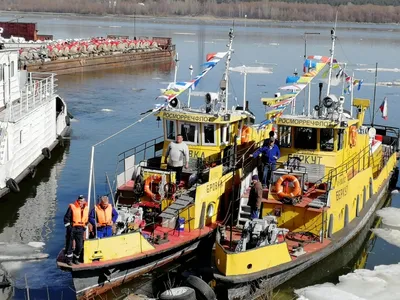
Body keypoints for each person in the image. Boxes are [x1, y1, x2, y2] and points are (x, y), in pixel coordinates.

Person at [64, 195, 89, 266]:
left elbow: (87, 220)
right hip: (72, 228)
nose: (81, 202)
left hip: (80, 229)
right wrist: (69, 228)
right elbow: (66, 218)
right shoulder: (72, 207)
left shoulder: (86, 208)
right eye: (79, 201)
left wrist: (84, 228)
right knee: (69, 245)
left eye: (82, 201)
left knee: (79, 245)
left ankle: (76, 259)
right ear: (77, 201)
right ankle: (69, 260)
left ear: (84, 201)